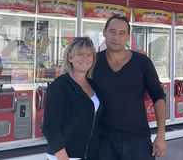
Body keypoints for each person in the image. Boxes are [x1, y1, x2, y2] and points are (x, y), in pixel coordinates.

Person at [93, 14, 167, 160]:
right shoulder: (93, 62)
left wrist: (161, 135)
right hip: (103, 140)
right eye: (112, 32)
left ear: (128, 36)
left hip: (138, 140)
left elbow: (158, 96)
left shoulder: (142, 63)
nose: (116, 37)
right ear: (104, 32)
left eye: (122, 33)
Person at [43, 37, 103, 160]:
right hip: (65, 156)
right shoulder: (60, 85)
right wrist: (63, 157)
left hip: (90, 154)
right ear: (70, 58)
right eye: (80, 55)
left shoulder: (94, 85)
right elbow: (50, 126)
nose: (85, 59)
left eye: (89, 55)